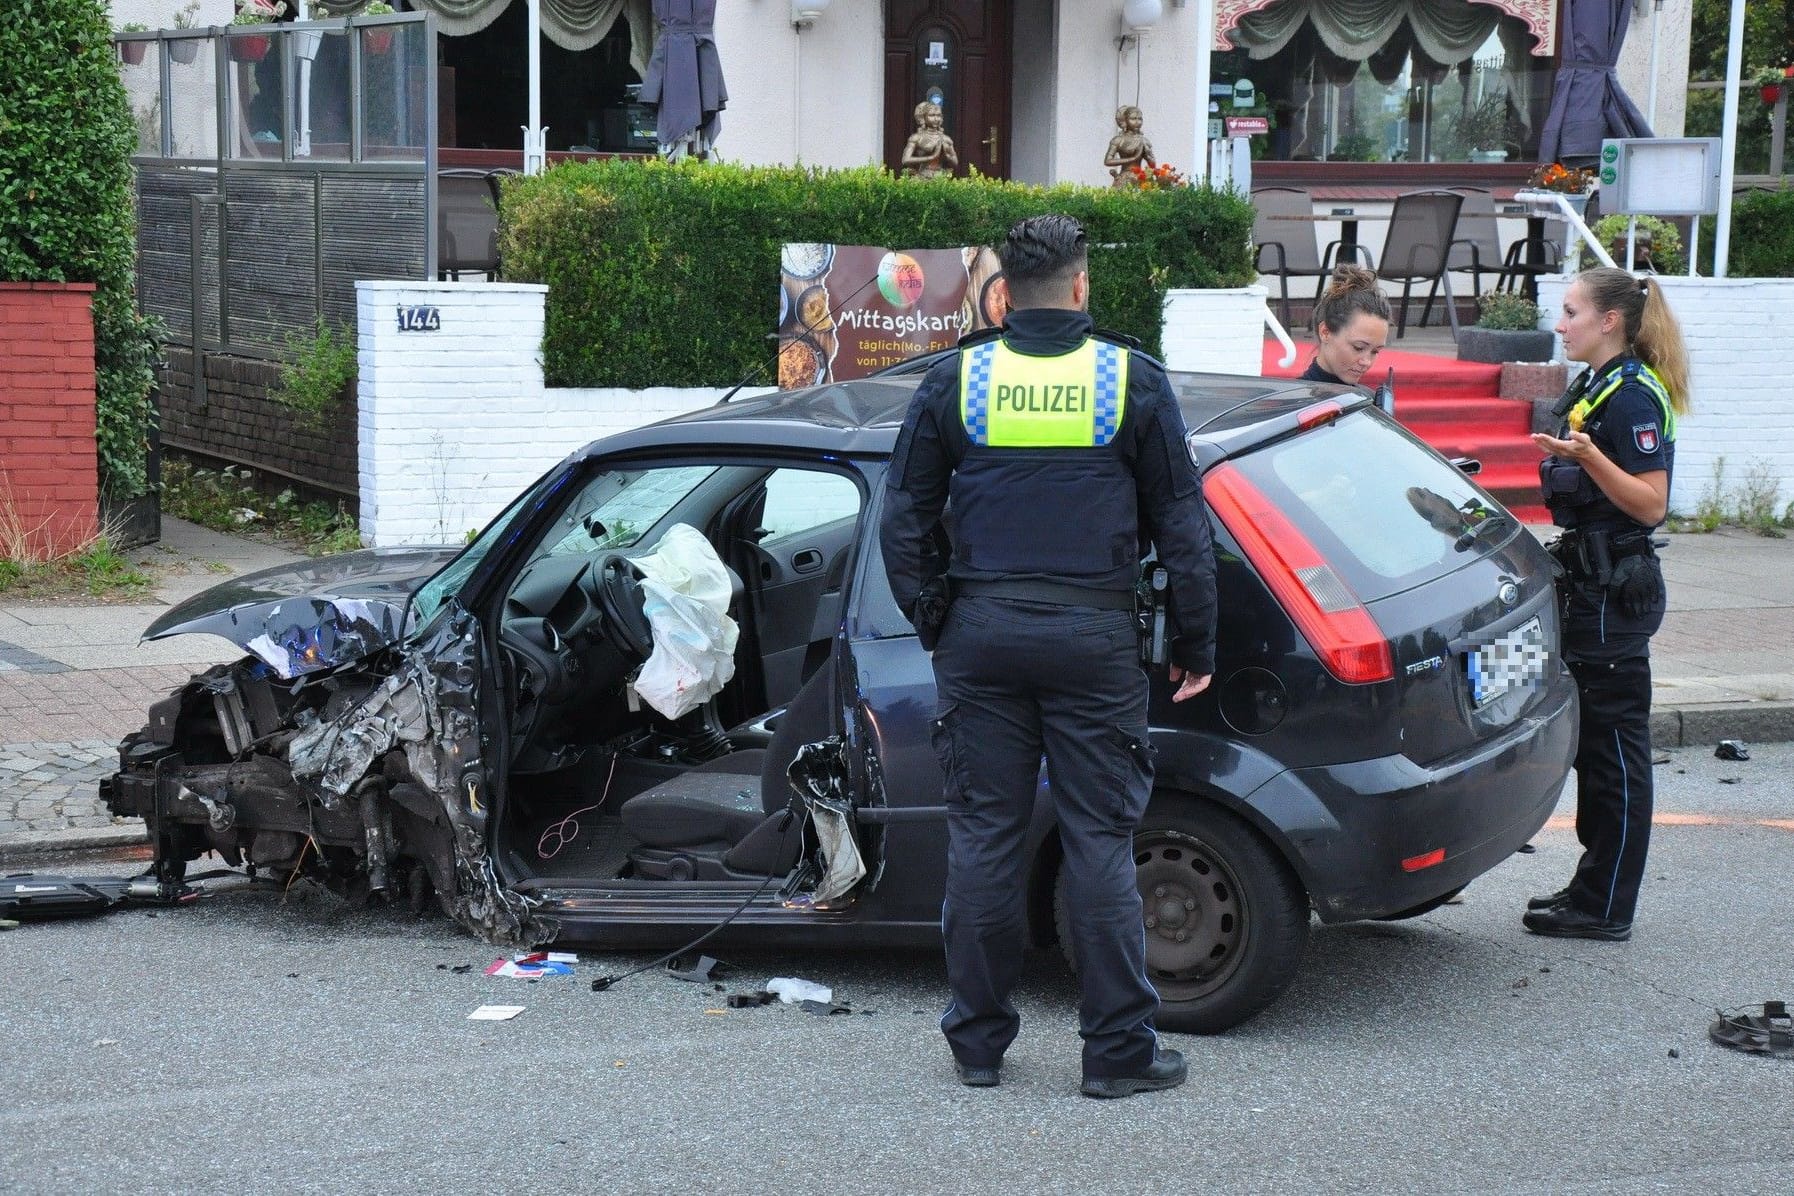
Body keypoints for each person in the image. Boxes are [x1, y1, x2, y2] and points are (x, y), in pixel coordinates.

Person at [881, 215, 1219, 1098]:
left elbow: (903, 520)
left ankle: (979, 1047)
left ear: (1002, 297)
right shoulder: (1128, 380)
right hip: (1094, 640)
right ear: (1079, 288)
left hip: (981, 637)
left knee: (985, 839)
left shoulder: (956, 379)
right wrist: (1196, 641)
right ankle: (1116, 1056)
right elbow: (1185, 526)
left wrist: (935, 622)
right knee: (1101, 842)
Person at [1525, 267, 1690, 942]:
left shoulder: (1630, 398)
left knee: (1616, 756)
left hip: (1614, 593)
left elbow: (1651, 502)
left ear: (1609, 321)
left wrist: (1589, 458)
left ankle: (1607, 907)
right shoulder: (1596, 385)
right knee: (1596, 753)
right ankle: (1593, 887)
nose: (1560, 324)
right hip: (1591, 583)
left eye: (1570, 312)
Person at [1301, 264, 1391, 388]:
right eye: (1358, 348)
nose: (1366, 362)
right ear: (1325, 332)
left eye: (1375, 351)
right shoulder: (1293, 403)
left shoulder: (1371, 400)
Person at [901, 101, 959, 179]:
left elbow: (955, 162)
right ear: (923, 117)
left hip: (940, 178)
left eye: (938, 115)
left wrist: (946, 155)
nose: (936, 119)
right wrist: (932, 157)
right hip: (922, 176)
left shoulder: (946, 139)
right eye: (931, 115)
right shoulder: (917, 138)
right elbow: (905, 160)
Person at [1103, 106, 1155, 185]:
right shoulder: (1118, 140)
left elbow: (1152, 164)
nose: (1137, 122)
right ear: (1125, 120)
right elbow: (1108, 161)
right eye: (1133, 119)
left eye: (1140, 119)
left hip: (1140, 178)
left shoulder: (1144, 140)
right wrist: (1133, 158)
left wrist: (1148, 155)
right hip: (1124, 178)